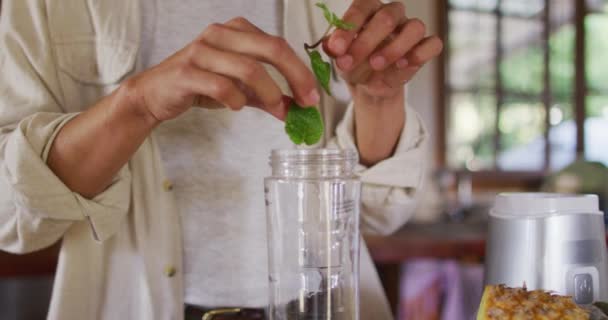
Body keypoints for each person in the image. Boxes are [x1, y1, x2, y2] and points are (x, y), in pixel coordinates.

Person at [0, 0, 442, 319]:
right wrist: (135, 107)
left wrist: (379, 100)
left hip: (318, 308)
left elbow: (376, 212)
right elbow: (7, 212)